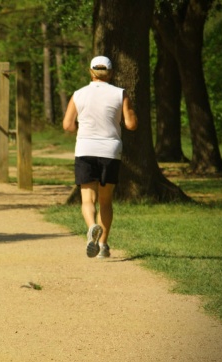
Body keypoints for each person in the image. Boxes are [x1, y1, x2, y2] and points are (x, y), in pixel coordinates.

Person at [62, 56, 137, 259]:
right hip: (110, 151)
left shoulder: (78, 94)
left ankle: (91, 227)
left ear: (91, 72)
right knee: (105, 200)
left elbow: (68, 125)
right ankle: (103, 245)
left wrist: (83, 128)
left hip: (85, 148)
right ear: (110, 73)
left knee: (88, 199)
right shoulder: (120, 94)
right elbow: (131, 125)